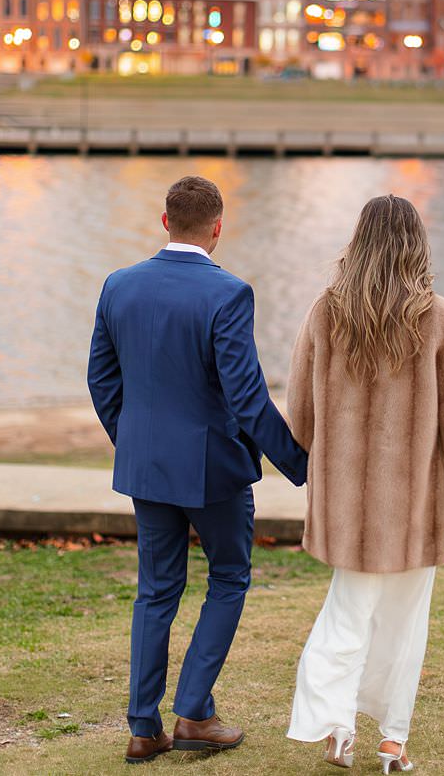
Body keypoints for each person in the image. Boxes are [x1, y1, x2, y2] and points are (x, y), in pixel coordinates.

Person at [87, 175, 310, 764]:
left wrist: (134, 441)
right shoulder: (228, 293)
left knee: (155, 590)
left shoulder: (118, 285)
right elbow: (247, 398)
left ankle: (143, 727)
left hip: (146, 469)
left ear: (164, 222)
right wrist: (300, 465)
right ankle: (192, 713)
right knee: (230, 577)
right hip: (214, 472)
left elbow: (101, 381)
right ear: (217, 227)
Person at [285, 194, 444, 772]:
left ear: (359, 241)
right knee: (405, 624)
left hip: (345, 504)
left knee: (346, 613)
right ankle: (391, 742)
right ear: (416, 245)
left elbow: (300, 414)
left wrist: (313, 460)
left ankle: (336, 725)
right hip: (416, 506)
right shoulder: (439, 316)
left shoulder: (325, 311)